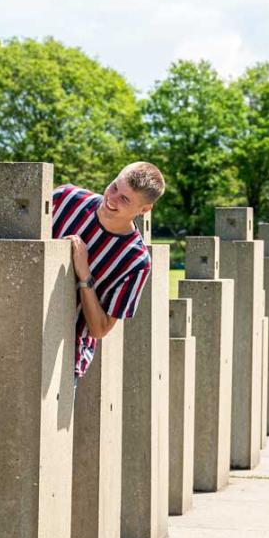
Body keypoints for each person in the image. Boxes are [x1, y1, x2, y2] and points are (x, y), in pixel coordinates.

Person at [52, 161, 165, 378]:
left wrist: (84, 274)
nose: (111, 199)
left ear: (145, 209)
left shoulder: (136, 261)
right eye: (114, 187)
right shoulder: (65, 198)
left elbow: (100, 329)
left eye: (124, 199)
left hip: (63, 361)